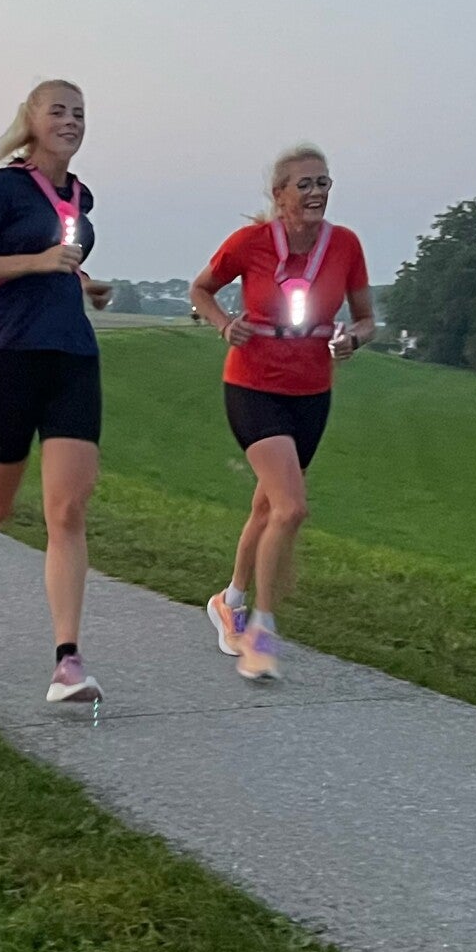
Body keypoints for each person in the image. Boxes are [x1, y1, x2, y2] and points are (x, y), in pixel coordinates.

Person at [0, 80, 113, 705]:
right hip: (7, 357)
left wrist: (83, 282)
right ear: (31, 119)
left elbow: (61, 259)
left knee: (67, 510)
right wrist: (36, 262)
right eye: (57, 110)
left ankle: (67, 661)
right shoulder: (3, 187)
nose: (71, 120)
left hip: (73, 359)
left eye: (79, 113)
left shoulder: (81, 194)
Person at [188, 146, 374, 681]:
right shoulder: (250, 243)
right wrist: (226, 324)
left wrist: (352, 339)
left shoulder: (346, 245)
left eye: (323, 183)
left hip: (312, 391)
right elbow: (200, 289)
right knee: (291, 509)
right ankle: (261, 637)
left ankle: (230, 601)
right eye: (304, 184)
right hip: (253, 386)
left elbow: (367, 320)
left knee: (268, 507)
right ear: (279, 195)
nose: (316, 193)